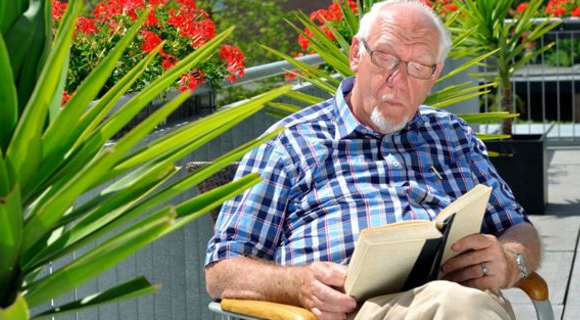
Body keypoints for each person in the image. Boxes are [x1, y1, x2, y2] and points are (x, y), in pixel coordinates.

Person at [204, 1, 541, 319]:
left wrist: (512, 262)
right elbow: (222, 271)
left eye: (418, 66)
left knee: (458, 303)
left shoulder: (452, 135)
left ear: (434, 75)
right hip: (354, 311)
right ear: (356, 54)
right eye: (385, 57)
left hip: (463, 300)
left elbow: (519, 227)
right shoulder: (291, 143)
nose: (398, 79)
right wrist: (298, 285)